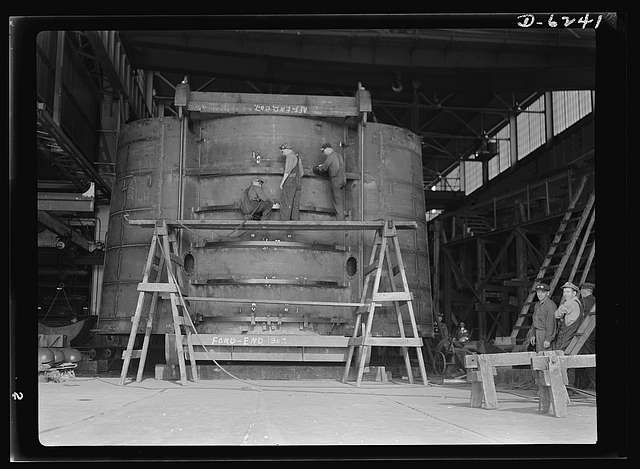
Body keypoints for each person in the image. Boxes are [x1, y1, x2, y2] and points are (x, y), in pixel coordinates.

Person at [313, 143, 346, 220]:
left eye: (323, 151)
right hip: (342, 179)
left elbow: (325, 167)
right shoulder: (339, 155)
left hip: (335, 180)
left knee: (336, 201)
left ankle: (340, 220)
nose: (323, 153)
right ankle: (341, 218)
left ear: (328, 149)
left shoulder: (331, 156)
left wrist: (318, 168)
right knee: (339, 200)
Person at [553, 281, 583, 351]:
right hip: (572, 332)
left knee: (560, 352)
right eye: (564, 292)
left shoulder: (569, 303)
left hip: (567, 333)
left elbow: (556, 315)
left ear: (574, 293)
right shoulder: (578, 302)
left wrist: (561, 308)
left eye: (568, 292)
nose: (565, 294)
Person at [527, 282, 557, 352]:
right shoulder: (537, 305)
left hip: (545, 333)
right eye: (538, 292)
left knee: (546, 356)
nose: (539, 294)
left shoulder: (550, 305)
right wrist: (533, 334)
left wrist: (548, 339)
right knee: (539, 354)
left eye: (543, 292)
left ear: (548, 293)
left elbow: (551, 324)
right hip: (538, 333)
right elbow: (534, 321)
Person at [278, 143, 304, 221]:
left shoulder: (289, 156)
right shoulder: (297, 157)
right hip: (298, 183)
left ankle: (284, 223)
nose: (282, 152)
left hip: (290, 182)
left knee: (286, 203)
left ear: (287, 149)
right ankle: (295, 223)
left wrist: (282, 183)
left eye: (282, 151)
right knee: (295, 205)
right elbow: (302, 173)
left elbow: (287, 171)